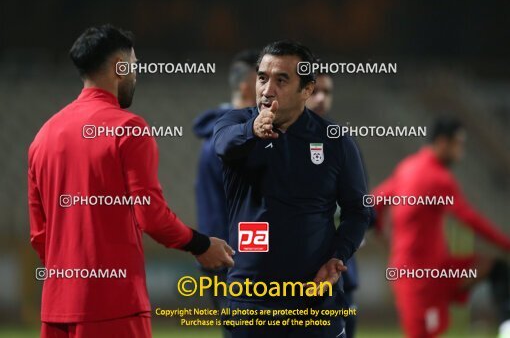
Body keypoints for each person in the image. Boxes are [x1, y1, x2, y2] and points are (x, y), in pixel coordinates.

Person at [28, 24, 234, 338]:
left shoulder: (43, 137)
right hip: (113, 307)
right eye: (134, 67)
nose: (136, 76)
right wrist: (201, 244)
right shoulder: (128, 129)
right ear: (118, 68)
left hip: (56, 309)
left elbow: (40, 234)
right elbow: (150, 215)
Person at [213, 40, 370, 337]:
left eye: (281, 80)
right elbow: (223, 144)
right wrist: (253, 130)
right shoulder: (235, 124)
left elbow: (358, 211)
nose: (267, 89)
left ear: (307, 90)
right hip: (250, 304)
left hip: (314, 305)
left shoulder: (335, 141)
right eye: (262, 77)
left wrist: (338, 255)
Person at [372, 117, 510, 338]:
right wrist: (506, 243)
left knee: (496, 268)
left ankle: (507, 329)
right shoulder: (437, 177)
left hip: (431, 272)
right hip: (423, 281)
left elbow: (374, 203)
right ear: (443, 142)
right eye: (458, 144)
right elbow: (469, 218)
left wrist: (386, 240)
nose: (461, 151)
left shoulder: (407, 167)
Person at [193, 49, 258, 337]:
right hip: (240, 263)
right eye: (265, 79)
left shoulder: (218, 137)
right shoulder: (236, 141)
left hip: (223, 258)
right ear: (247, 86)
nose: (273, 89)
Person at [306, 72, 366, 338]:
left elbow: (361, 208)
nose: (321, 98)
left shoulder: (342, 144)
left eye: (327, 92)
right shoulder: (272, 141)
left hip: (337, 271)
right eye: (315, 90)